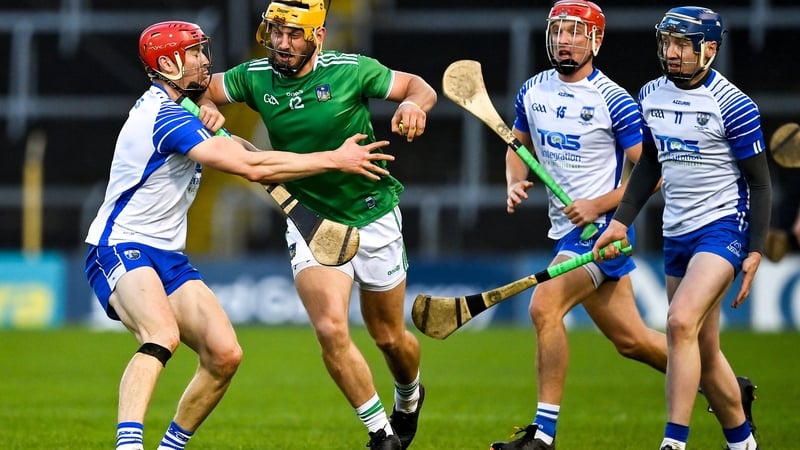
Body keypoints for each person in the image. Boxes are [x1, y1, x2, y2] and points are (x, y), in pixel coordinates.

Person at [85, 20, 394, 450]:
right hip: (119, 245)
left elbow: (247, 153)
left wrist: (220, 127)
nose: (204, 61)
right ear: (168, 64)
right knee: (161, 335)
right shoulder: (165, 117)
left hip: (167, 255)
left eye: (202, 51)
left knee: (224, 354)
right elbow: (250, 167)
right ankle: (129, 446)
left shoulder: (185, 109)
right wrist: (334, 159)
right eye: (194, 54)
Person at [202, 1, 436, 449]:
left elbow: (416, 86)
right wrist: (205, 106)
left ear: (318, 36)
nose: (282, 43)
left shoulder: (351, 70)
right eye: (276, 33)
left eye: (294, 35)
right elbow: (201, 89)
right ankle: (381, 435)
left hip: (373, 213)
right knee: (330, 328)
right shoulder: (254, 77)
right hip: (308, 216)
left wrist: (413, 105)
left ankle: (409, 397)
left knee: (389, 337)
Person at [489, 2, 671, 449]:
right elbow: (517, 145)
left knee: (543, 306)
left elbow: (653, 174)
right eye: (558, 32)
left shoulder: (614, 100)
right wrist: (514, 180)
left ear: (596, 41)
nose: (564, 41)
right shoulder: (532, 91)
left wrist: (598, 205)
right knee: (632, 341)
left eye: (575, 33)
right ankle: (728, 389)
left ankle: (543, 435)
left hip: (602, 232)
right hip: (567, 230)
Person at [592, 6, 769, 450]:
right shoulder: (651, 94)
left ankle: (673, 442)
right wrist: (619, 223)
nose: (671, 53)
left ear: (709, 49)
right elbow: (650, 163)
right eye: (667, 42)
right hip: (677, 232)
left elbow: (760, 183)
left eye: (682, 45)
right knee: (705, 349)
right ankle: (744, 444)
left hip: (723, 227)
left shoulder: (734, 105)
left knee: (679, 322)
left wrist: (755, 249)